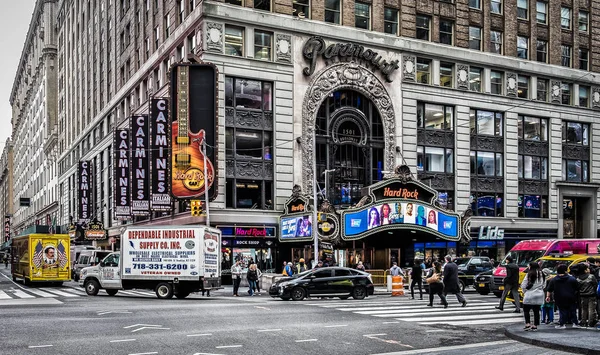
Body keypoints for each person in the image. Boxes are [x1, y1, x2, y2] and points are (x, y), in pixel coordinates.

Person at [546, 264, 580, 329]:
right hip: (571, 297)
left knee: (562, 311)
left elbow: (549, 289)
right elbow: (577, 288)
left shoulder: (554, 279)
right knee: (573, 310)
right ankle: (575, 323)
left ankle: (562, 324)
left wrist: (548, 296)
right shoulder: (572, 279)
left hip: (559, 297)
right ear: (565, 271)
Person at [521, 261, 546, 331]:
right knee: (536, 311)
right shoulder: (543, 274)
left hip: (529, 294)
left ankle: (528, 323)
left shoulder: (529, 274)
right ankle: (535, 325)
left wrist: (524, 291)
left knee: (526, 309)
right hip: (539, 294)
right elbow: (544, 285)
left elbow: (524, 284)